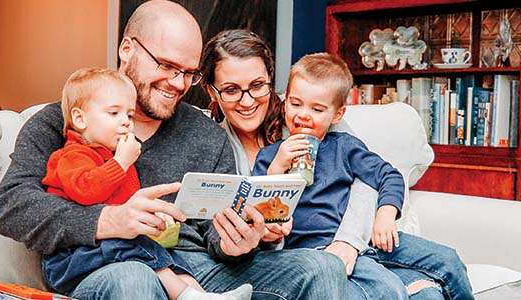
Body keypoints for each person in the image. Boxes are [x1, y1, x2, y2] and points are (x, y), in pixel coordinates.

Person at [0, 1, 347, 299]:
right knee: (134, 278)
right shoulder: (63, 121)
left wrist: (237, 240)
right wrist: (108, 219)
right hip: (109, 265)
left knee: (321, 266)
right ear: (127, 49)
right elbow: (13, 206)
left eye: (188, 73)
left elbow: (214, 233)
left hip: (199, 272)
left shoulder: (206, 135)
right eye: (166, 66)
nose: (178, 84)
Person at [200, 36, 471, 299]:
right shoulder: (232, 151)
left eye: (257, 85)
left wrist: (365, 230)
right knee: (387, 287)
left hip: (360, 240)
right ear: (212, 91)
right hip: (304, 252)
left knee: (437, 275)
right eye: (231, 89)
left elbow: (372, 179)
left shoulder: (335, 136)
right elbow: (258, 203)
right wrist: (277, 167)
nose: (247, 100)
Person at [38, 67, 251, 300]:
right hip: (73, 257)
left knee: (169, 259)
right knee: (141, 252)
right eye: (113, 113)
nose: (125, 123)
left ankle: (207, 297)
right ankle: (191, 297)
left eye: (129, 115)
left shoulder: (116, 158)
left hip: (111, 248)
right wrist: (121, 162)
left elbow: (129, 204)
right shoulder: (71, 156)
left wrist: (155, 216)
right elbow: (86, 190)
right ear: (80, 118)